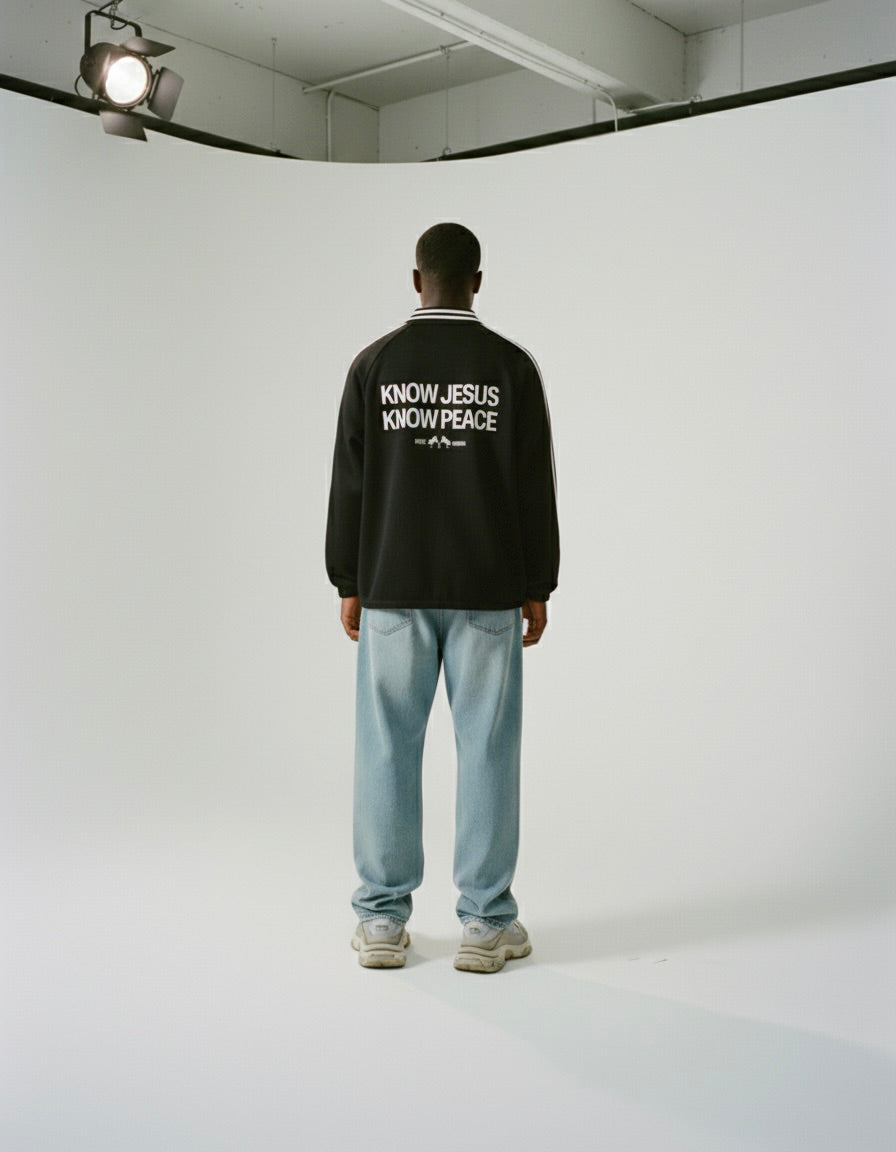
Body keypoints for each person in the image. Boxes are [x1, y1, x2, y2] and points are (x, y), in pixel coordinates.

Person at [325, 222, 559, 973]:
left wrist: (348, 580)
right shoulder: (510, 367)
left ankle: (382, 919)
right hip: (487, 588)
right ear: (477, 281)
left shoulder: (375, 365)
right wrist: (538, 584)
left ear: (415, 279)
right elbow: (534, 484)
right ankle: (486, 925)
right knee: (487, 748)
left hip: (393, 587)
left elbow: (350, 482)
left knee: (386, 746)